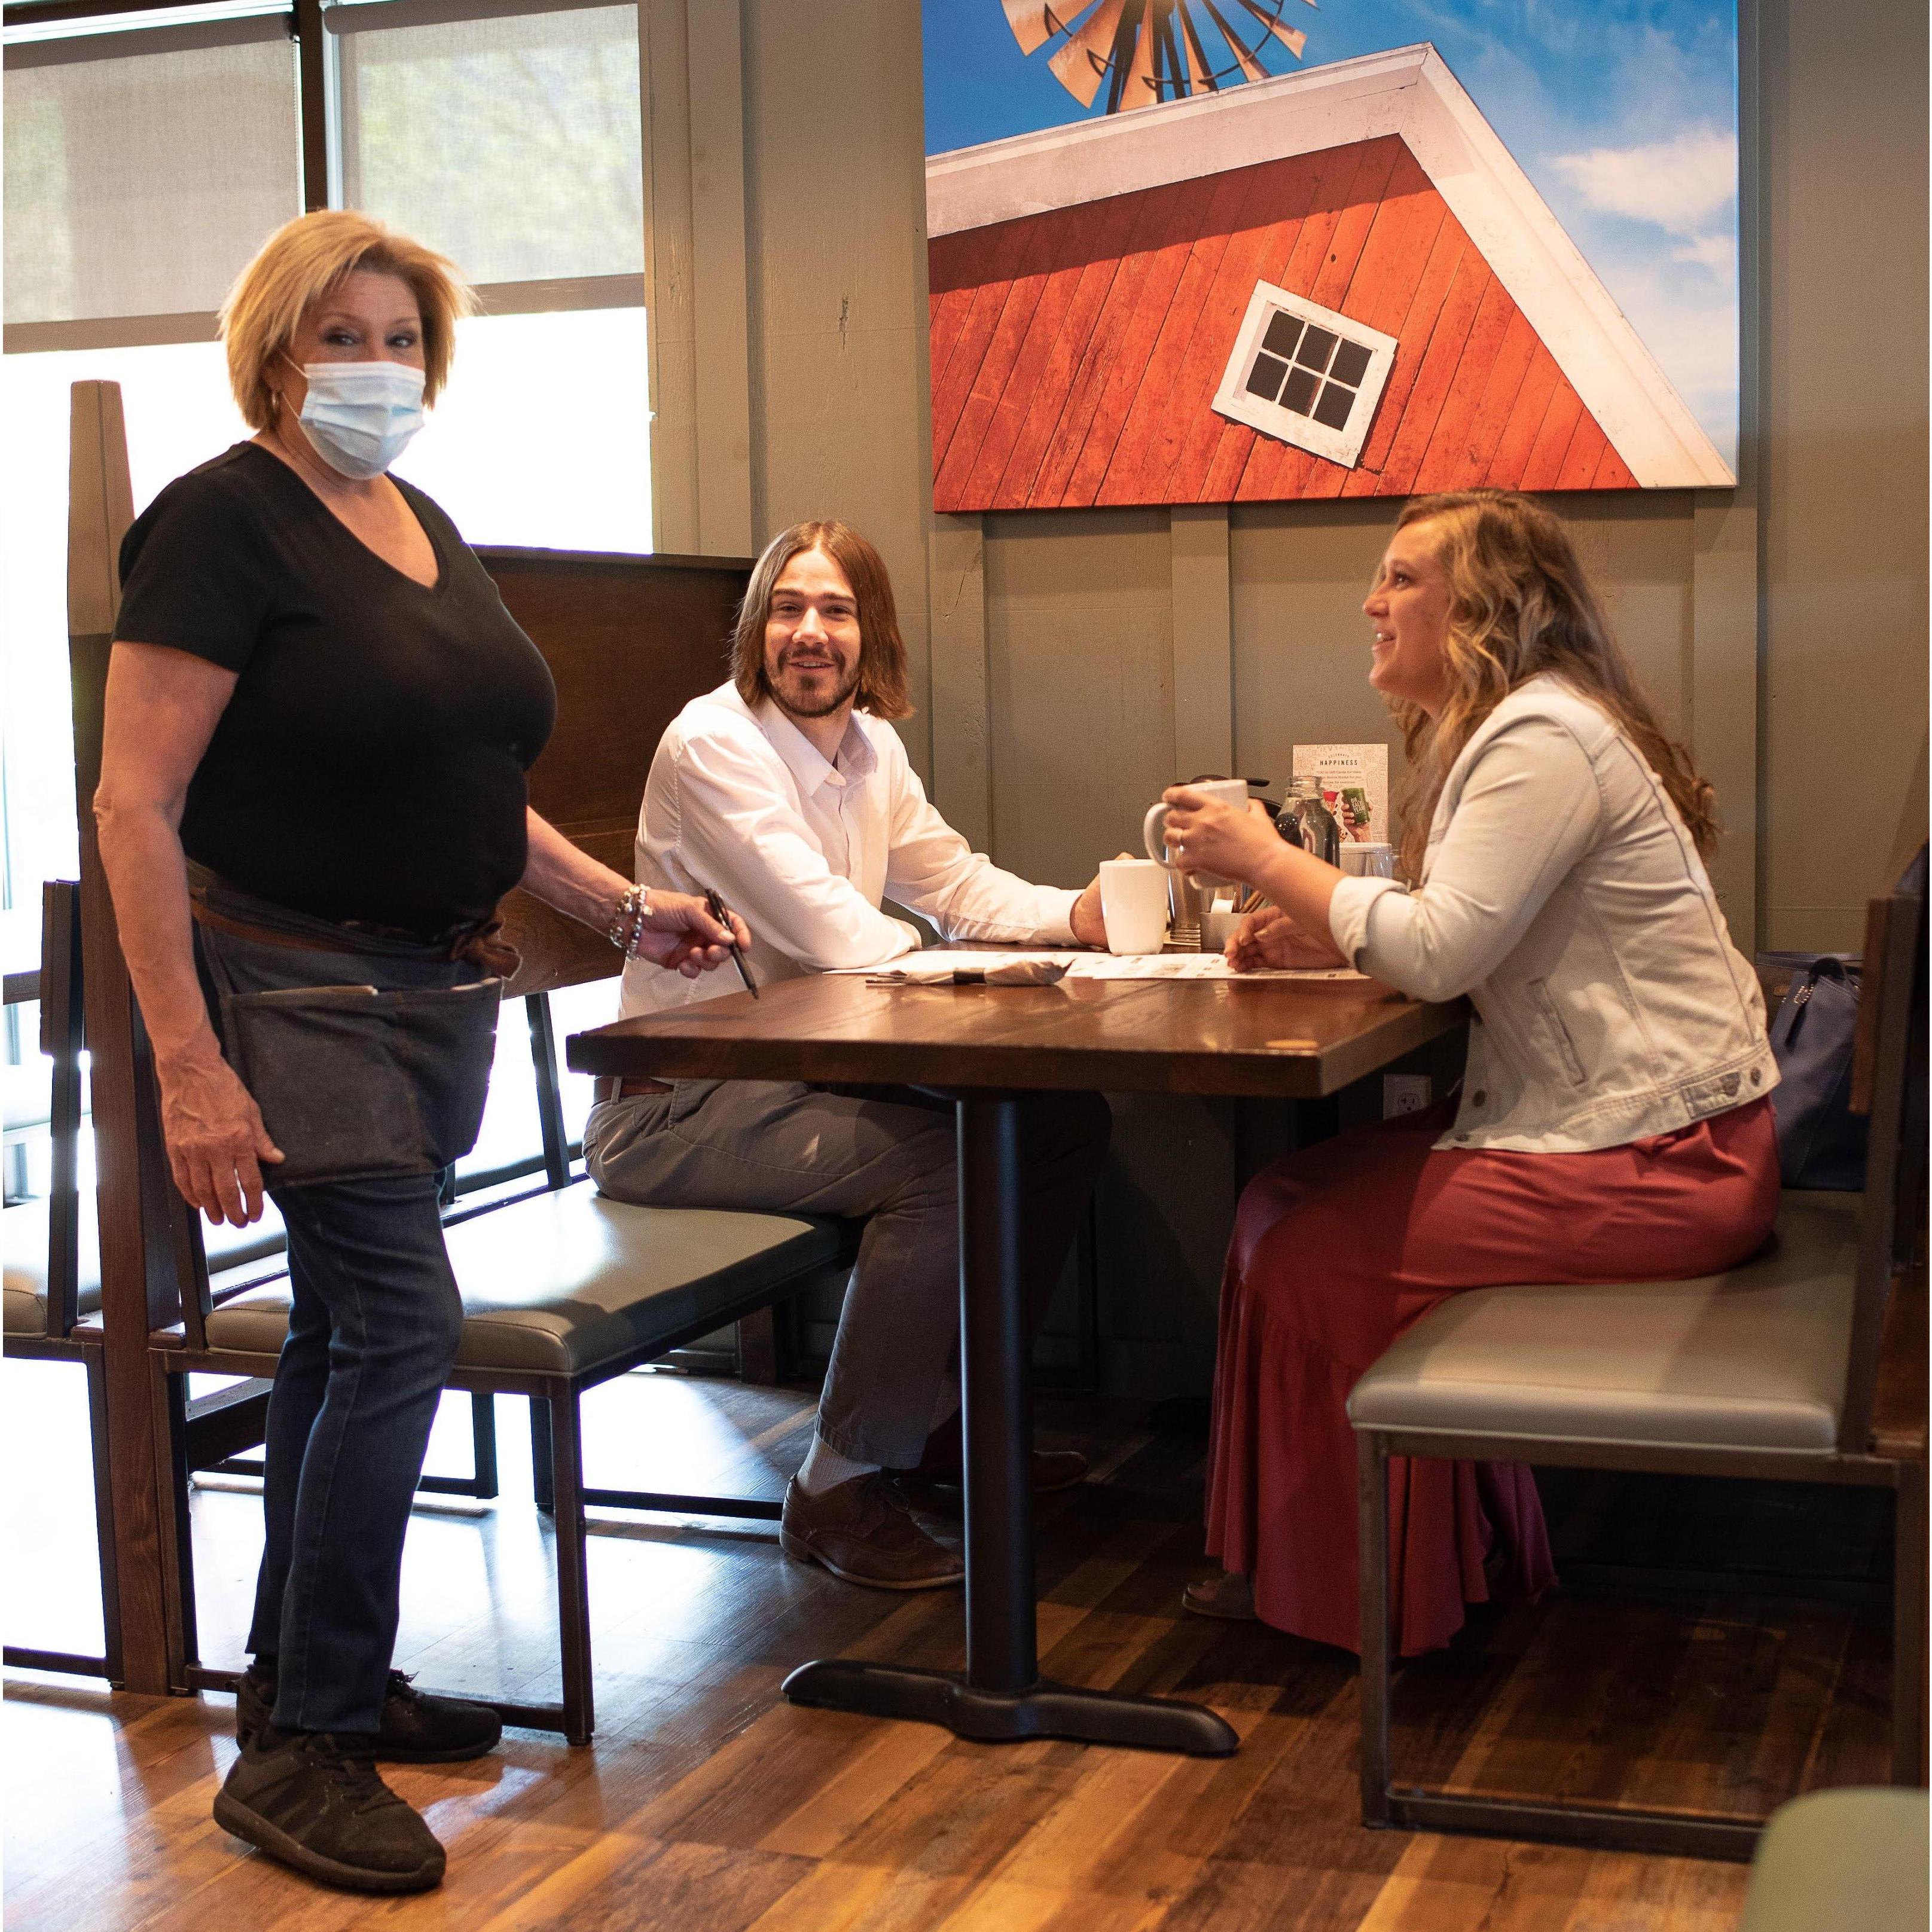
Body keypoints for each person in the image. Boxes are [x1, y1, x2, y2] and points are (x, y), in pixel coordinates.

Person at [94, 210, 746, 1894]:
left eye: (399, 339)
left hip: (424, 999)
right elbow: (136, 805)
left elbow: (472, 780)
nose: (376, 368)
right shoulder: (220, 524)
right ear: (275, 351)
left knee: (337, 1344)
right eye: (341, 338)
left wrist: (623, 909)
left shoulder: (417, 520)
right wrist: (186, 1061)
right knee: (397, 1332)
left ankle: (318, 1680)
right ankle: (297, 1753)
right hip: (292, 992)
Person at [1156, 489, 1780, 1656]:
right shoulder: (1523, 726)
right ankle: (1381, 1555)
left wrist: (1270, 862)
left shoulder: (1538, 737)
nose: (1370, 602)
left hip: (1665, 1159)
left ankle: (1369, 1592)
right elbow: (1463, 938)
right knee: (1280, 1196)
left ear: (1482, 606)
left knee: (1299, 1246)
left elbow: (1440, 947)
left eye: (1399, 578)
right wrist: (1323, 924)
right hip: (1641, 1131)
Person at [585, 520, 1113, 1591]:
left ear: (872, 636)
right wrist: (975, 976)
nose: (810, 634)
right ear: (755, 630)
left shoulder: (873, 748)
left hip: (797, 1083)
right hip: (675, 1111)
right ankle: (837, 1484)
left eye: (835, 610)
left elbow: (954, 881)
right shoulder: (714, 743)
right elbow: (835, 934)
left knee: (1063, 1123)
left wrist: (1080, 917)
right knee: (942, 1164)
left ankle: (936, 1427)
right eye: (787, 609)